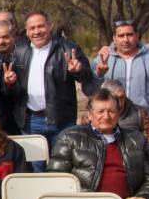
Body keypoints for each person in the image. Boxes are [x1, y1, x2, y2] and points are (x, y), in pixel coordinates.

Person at [49, 89, 149, 199]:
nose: (106, 116)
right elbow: (57, 178)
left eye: (111, 111)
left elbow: (148, 177)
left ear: (118, 113)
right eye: (100, 111)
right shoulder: (69, 137)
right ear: (90, 114)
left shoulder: (136, 139)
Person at [10, 12, 98, 169]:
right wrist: (9, 82)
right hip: (31, 122)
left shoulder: (68, 48)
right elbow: (13, 86)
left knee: (62, 167)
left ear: (50, 26)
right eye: (32, 28)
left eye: (41, 26)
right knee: (36, 168)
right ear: (27, 31)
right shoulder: (19, 52)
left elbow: (88, 81)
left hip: (61, 121)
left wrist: (77, 71)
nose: (37, 31)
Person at [93, 20, 149, 109]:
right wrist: (99, 74)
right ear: (114, 38)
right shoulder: (103, 58)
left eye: (130, 35)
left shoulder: (148, 57)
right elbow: (89, 89)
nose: (126, 40)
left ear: (137, 36)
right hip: (112, 117)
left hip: (144, 117)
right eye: (121, 36)